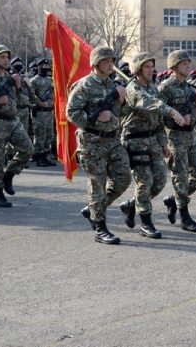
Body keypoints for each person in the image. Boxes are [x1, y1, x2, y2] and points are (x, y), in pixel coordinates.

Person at [66, 46, 130, 245]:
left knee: (123, 178)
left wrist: (122, 100)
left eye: (112, 60)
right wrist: (93, 119)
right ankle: (100, 227)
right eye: (106, 60)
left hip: (113, 139)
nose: (110, 63)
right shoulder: (84, 86)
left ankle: (93, 209)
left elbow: (123, 112)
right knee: (98, 184)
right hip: (92, 141)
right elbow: (71, 112)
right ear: (96, 63)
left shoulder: (113, 85)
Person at [119, 52, 185, 239]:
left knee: (160, 180)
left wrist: (163, 143)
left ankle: (132, 205)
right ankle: (146, 223)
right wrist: (171, 110)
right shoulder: (133, 88)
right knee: (144, 181)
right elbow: (148, 104)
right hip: (136, 139)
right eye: (147, 67)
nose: (151, 70)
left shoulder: (152, 88)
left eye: (152, 66)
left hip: (153, 139)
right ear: (138, 69)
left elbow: (157, 120)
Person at [158, 50, 196, 233]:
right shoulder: (165, 88)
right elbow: (159, 114)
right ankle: (185, 217)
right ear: (174, 66)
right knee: (180, 176)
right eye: (184, 64)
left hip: (191, 134)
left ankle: (174, 200)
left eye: (188, 63)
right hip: (175, 136)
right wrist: (177, 119)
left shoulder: (189, 87)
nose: (188, 66)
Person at [0, 45, 33, 207]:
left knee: (27, 148)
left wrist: (18, 86)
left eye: (7, 57)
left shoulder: (10, 77)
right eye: (2, 57)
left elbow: (20, 99)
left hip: (13, 119)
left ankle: (9, 175)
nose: (6, 60)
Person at [31, 58, 55, 166]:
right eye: (42, 66)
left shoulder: (50, 80)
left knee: (49, 134)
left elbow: (53, 95)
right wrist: (40, 102)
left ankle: (46, 155)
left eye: (46, 66)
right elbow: (31, 95)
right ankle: (39, 156)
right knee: (40, 134)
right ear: (38, 67)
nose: (45, 68)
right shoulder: (34, 80)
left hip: (49, 111)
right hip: (39, 111)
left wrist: (48, 103)